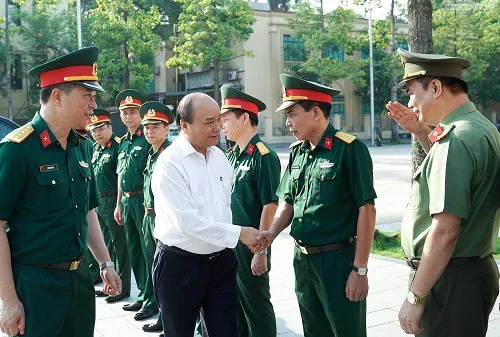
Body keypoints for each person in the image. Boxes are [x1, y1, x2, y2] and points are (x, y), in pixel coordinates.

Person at [0, 46, 121, 337]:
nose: (94, 105)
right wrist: (7, 299)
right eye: (87, 96)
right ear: (57, 96)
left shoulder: (81, 147)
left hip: (79, 281)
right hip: (35, 285)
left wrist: (105, 262)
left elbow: (89, 210)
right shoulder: (18, 149)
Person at [386, 49, 500, 337]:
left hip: (450, 280)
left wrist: (416, 297)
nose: (410, 103)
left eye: (412, 92)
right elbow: (458, 179)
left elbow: (446, 231)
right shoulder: (479, 128)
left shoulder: (456, 140)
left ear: (435, 87)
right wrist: (422, 132)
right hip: (466, 274)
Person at [257, 74, 377, 337]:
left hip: (338, 261)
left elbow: (366, 210)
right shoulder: (298, 152)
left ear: (314, 113)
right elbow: (288, 202)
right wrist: (269, 235)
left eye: (292, 114)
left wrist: (360, 269)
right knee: (314, 331)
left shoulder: (349, 149)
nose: (287, 123)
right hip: (303, 260)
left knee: (347, 331)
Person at [151, 92, 265, 337]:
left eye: (218, 120)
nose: (217, 128)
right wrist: (240, 233)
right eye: (208, 122)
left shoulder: (220, 158)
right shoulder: (170, 163)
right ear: (184, 125)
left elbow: (223, 209)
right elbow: (188, 222)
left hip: (220, 262)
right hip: (180, 266)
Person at [219, 85, 279, 337]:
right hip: (232, 239)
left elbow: (270, 205)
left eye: (226, 119)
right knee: (235, 305)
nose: (222, 124)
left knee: (256, 304)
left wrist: (261, 250)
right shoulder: (232, 156)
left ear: (245, 118)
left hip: (252, 245)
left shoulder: (263, 156)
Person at [112, 89, 158, 320]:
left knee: (148, 250)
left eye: (132, 112)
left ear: (140, 114)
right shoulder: (123, 142)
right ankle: (142, 294)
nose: (128, 117)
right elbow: (121, 174)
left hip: (143, 201)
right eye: (124, 113)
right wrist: (118, 203)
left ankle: (152, 298)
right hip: (127, 201)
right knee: (134, 250)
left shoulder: (147, 138)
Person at [87, 109, 131, 299]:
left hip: (114, 200)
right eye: (94, 130)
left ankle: (122, 286)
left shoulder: (117, 146)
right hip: (100, 201)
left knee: (119, 244)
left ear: (110, 127)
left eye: (101, 129)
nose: (97, 133)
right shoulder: (95, 149)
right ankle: (107, 281)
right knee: (105, 245)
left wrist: (119, 204)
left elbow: (121, 177)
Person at [139, 101, 175, 336]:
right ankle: (163, 317)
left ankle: (170, 321)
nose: (150, 131)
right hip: (147, 216)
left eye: (155, 127)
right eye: (147, 128)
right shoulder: (152, 154)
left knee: (167, 275)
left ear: (166, 128)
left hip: (164, 220)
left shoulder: (170, 154)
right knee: (155, 272)